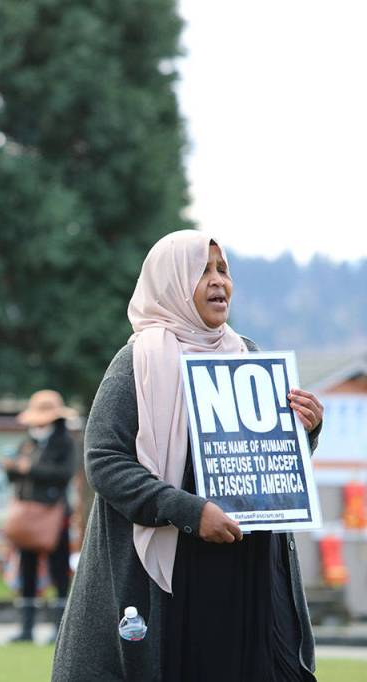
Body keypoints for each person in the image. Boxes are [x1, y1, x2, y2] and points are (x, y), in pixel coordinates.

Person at [52, 230, 324, 681]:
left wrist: (305, 431)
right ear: (172, 282)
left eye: (223, 270)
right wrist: (190, 513)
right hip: (175, 579)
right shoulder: (138, 362)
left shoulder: (248, 356)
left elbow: (269, 463)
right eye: (202, 270)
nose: (219, 281)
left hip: (248, 576)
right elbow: (105, 460)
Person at [4, 389, 76, 642]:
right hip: (27, 517)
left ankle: (60, 629)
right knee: (27, 570)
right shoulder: (28, 442)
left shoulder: (64, 443)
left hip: (54, 515)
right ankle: (26, 629)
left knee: (59, 571)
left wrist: (30, 468)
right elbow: (15, 475)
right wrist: (13, 468)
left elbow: (65, 474)